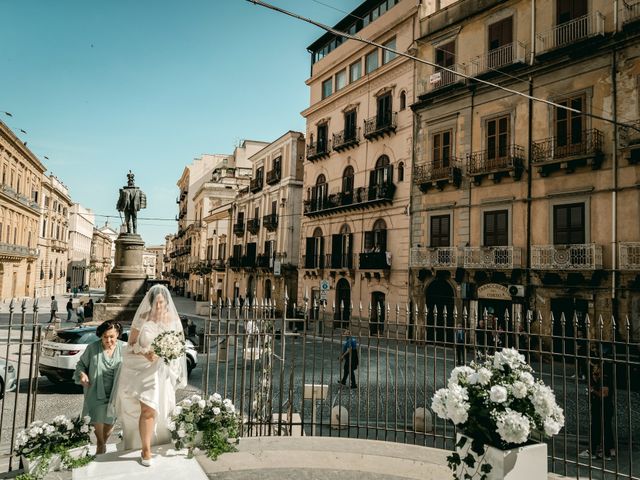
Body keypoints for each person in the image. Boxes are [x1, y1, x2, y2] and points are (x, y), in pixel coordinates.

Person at [113, 285, 187, 466]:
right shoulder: (143, 319)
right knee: (147, 410)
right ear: (151, 303)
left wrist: (171, 353)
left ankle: (157, 443)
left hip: (163, 373)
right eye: (157, 303)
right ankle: (145, 449)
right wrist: (143, 351)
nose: (160, 306)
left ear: (166, 303)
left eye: (162, 302)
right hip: (143, 371)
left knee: (161, 412)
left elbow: (179, 347)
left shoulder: (173, 321)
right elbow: (130, 345)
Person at [73, 320, 124, 455]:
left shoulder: (124, 348)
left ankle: (104, 441)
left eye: (112, 337)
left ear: (117, 334)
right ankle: (100, 444)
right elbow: (80, 365)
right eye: (105, 336)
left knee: (110, 420)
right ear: (101, 335)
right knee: (97, 418)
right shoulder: (92, 348)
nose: (108, 340)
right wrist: (82, 374)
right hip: (95, 390)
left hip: (116, 392)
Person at [580, 359, 615, 461]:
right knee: (603, 428)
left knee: (598, 428)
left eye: (595, 367)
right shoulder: (600, 377)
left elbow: (603, 394)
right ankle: (605, 451)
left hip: (603, 407)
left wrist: (592, 390)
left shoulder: (605, 378)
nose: (593, 369)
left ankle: (595, 452)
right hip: (599, 406)